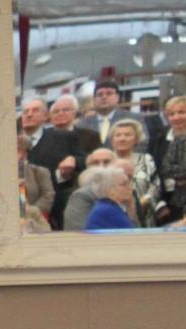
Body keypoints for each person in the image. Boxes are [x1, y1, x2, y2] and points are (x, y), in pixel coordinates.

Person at [27, 94, 98, 229]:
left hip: (74, 193)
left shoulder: (89, 135)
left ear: (75, 113)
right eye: (56, 111)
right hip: (44, 196)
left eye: (65, 110)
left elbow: (92, 160)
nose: (60, 114)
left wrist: (74, 160)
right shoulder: (40, 137)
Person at [106, 117, 158, 225]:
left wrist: (141, 202)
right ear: (112, 140)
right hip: (112, 213)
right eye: (118, 135)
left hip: (144, 215)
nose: (122, 139)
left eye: (127, 135)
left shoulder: (146, 159)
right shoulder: (105, 161)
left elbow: (155, 186)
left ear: (136, 139)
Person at [17, 132, 54, 231]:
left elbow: (48, 195)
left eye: (18, 150)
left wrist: (32, 212)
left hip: (34, 220)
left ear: (25, 152)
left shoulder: (39, 172)